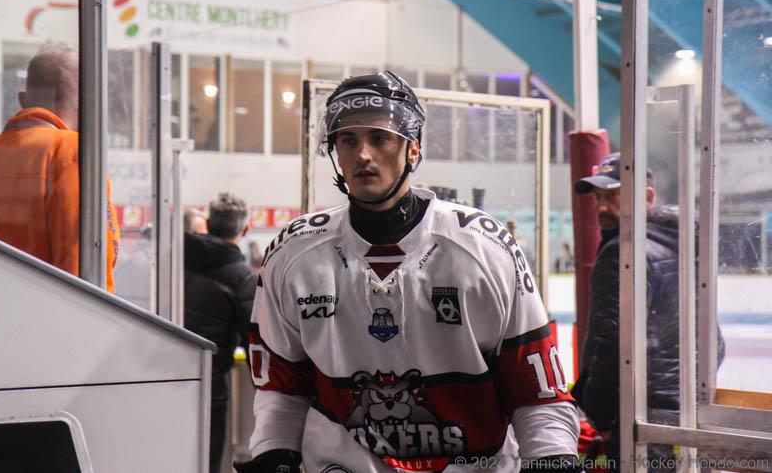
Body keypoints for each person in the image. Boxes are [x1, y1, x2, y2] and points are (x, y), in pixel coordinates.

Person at [237, 71, 581, 473]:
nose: (363, 154)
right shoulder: (293, 253)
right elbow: (282, 387)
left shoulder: (485, 247)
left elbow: (536, 389)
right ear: (335, 153)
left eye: (379, 138)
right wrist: (274, 451)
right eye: (348, 140)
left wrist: (551, 456)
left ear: (413, 149)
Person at [570, 152, 725, 472]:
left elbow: (611, 344)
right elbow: (715, 345)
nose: (601, 208)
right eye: (598, 198)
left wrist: (601, 415)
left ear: (648, 197)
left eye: (613, 196)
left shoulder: (622, 254)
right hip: (686, 421)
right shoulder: (685, 247)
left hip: (637, 424)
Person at [0, 45, 120, 291]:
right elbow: (85, 264)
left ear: (22, 100)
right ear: (86, 103)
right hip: (46, 311)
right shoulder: (73, 151)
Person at [184, 192, 258, 473]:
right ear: (245, 230)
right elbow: (254, 341)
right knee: (206, 461)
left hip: (161, 373)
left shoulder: (177, 259)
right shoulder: (243, 277)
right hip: (210, 384)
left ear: (208, 223)